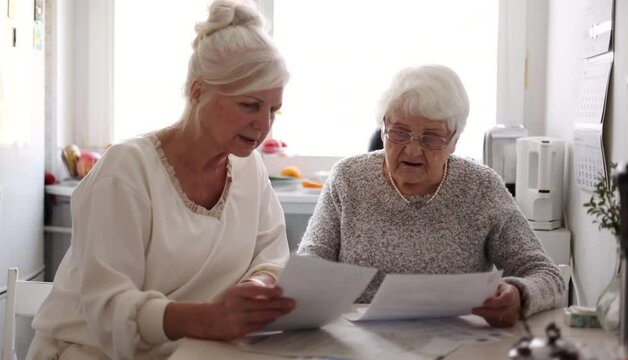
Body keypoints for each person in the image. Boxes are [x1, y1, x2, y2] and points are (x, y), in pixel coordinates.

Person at [28, 1, 295, 358]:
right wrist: (208, 318)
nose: (264, 126)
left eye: (273, 110)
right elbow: (110, 308)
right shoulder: (126, 171)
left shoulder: (250, 169)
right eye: (249, 106)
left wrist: (255, 291)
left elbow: (271, 257)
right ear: (198, 91)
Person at [297, 64, 565, 327]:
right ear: (383, 129)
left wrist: (519, 294)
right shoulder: (348, 178)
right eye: (400, 133)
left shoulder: (481, 188)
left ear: (454, 141)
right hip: (357, 341)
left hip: (454, 343)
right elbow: (310, 266)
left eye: (431, 138)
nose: (412, 150)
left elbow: (546, 275)